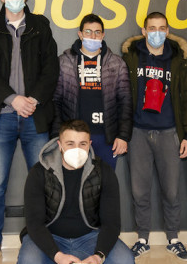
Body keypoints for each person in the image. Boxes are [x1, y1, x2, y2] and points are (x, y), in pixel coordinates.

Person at [0, 0, 59, 264]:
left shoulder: (40, 26)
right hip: (3, 117)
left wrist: (32, 99)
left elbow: (51, 68)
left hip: (35, 116)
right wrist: (13, 99)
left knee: (42, 183)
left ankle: (41, 238)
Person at [16, 120, 135, 264]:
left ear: (90, 145)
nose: (77, 149)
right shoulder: (39, 172)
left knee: (124, 263)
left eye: (82, 144)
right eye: (70, 143)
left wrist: (98, 257)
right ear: (60, 145)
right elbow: (34, 223)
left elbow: (111, 223)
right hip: (50, 235)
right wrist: (58, 257)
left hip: (89, 237)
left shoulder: (103, 171)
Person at [121, 11, 187, 260]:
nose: (157, 33)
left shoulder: (179, 60)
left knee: (172, 191)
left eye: (161, 28)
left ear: (167, 31)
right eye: (152, 28)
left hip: (169, 132)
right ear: (144, 31)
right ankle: (142, 239)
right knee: (139, 191)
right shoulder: (131, 57)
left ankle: (173, 239)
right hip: (138, 133)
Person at [52, 14, 132, 168]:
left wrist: (123, 136)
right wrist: (57, 135)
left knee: (104, 180)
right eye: (88, 32)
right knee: (74, 180)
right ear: (80, 34)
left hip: (105, 136)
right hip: (74, 137)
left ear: (103, 35)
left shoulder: (117, 63)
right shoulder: (64, 61)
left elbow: (125, 102)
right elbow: (56, 101)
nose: (93, 36)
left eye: (97, 32)